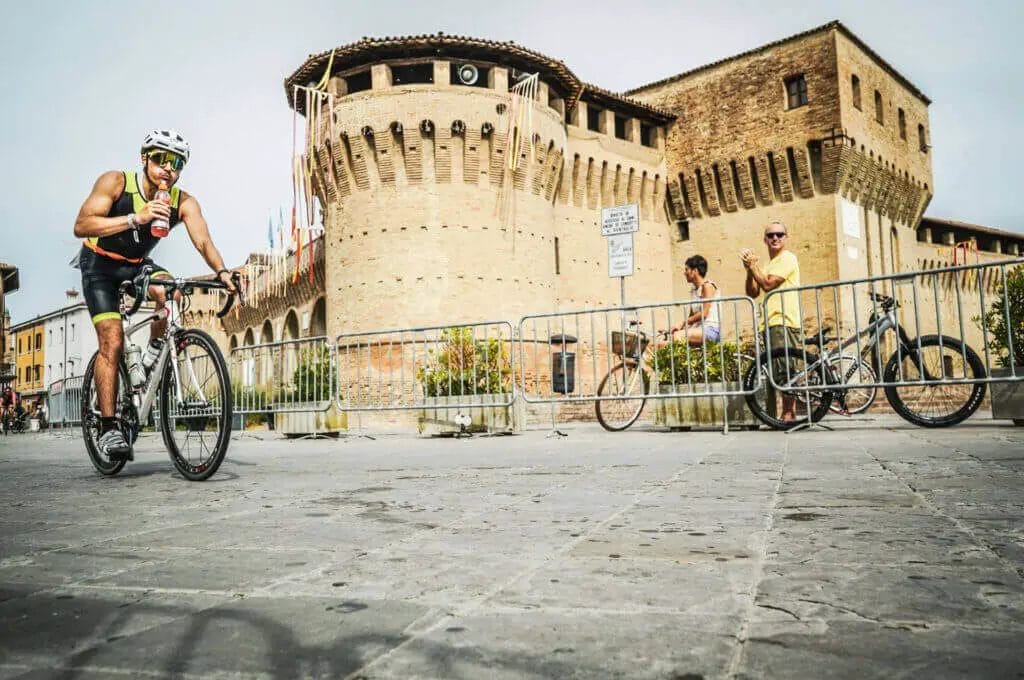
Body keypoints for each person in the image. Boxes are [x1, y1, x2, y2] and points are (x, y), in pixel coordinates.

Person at [73, 129, 236, 459]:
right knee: (112, 341)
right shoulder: (116, 182)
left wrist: (222, 272)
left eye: (177, 163)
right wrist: (137, 218)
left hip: (136, 265)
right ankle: (108, 427)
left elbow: (203, 241)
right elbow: (82, 225)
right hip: (99, 266)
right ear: (144, 159)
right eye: (161, 159)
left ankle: (152, 354)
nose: (168, 168)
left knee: (171, 292)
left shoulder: (182, 202)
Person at [741, 220, 801, 422]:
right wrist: (750, 270)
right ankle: (779, 415)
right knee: (775, 369)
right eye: (771, 235)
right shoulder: (767, 265)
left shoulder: (788, 258)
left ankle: (788, 414)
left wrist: (754, 266)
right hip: (769, 323)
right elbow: (752, 292)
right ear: (765, 240)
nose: (775, 238)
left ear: (786, 237)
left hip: (784, 320)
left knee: (785, 368)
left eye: (779, 234)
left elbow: (768, 284)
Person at [667, 255, 721, 346]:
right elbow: (691, 317)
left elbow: (704, 313)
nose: (684, 273)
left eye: (687, 269)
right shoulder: (694, 290)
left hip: (711, 330)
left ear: (695, 271)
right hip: (698, 329)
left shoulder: (708, 286)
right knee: (665, 342)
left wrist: (682, 323)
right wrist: (676, 328)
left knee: (678, 336)